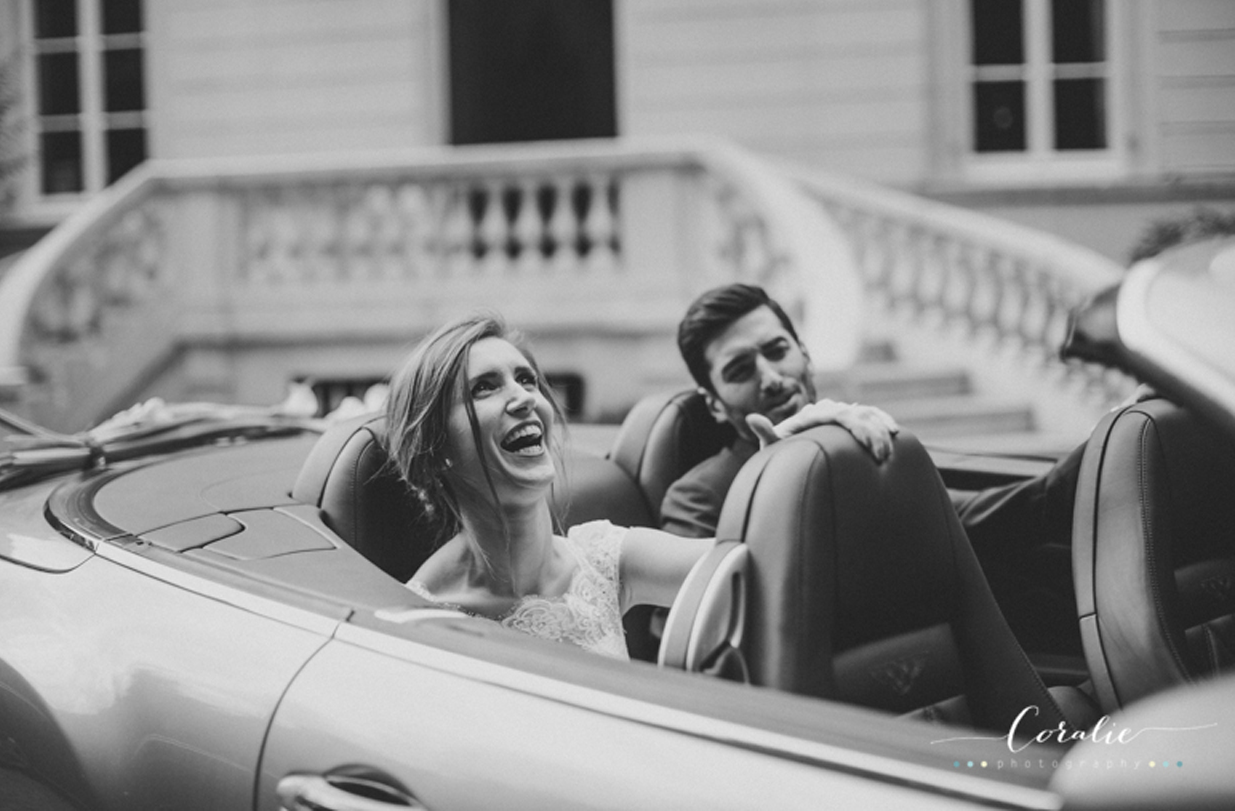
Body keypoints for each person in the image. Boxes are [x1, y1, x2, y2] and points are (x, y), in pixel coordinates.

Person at [387, 311, 713, 660]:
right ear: (436, 450)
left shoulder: (604, 561)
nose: (526, 398)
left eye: (527, 380)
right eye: (484, 387)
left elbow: (744, 569)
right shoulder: (418, 620)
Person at [660, 283, 1085, 550]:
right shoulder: (698, 497)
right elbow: (687, 628)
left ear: (805, 355)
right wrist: (775, 485)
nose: (770, 378)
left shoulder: (856, 442)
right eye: (739, 370)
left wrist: (1100, 457)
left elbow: (966, 520)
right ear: (714, 403)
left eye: (777, 351)